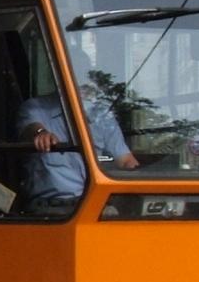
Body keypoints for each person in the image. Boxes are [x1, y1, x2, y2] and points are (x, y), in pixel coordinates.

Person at [16, 75, 138, 212]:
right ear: (61, 78)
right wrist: (41, 133)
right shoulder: (36, 108)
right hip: (50, 206)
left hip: (93, 202)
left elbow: (125, 159)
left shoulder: (101, 115)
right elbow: (31, 128)